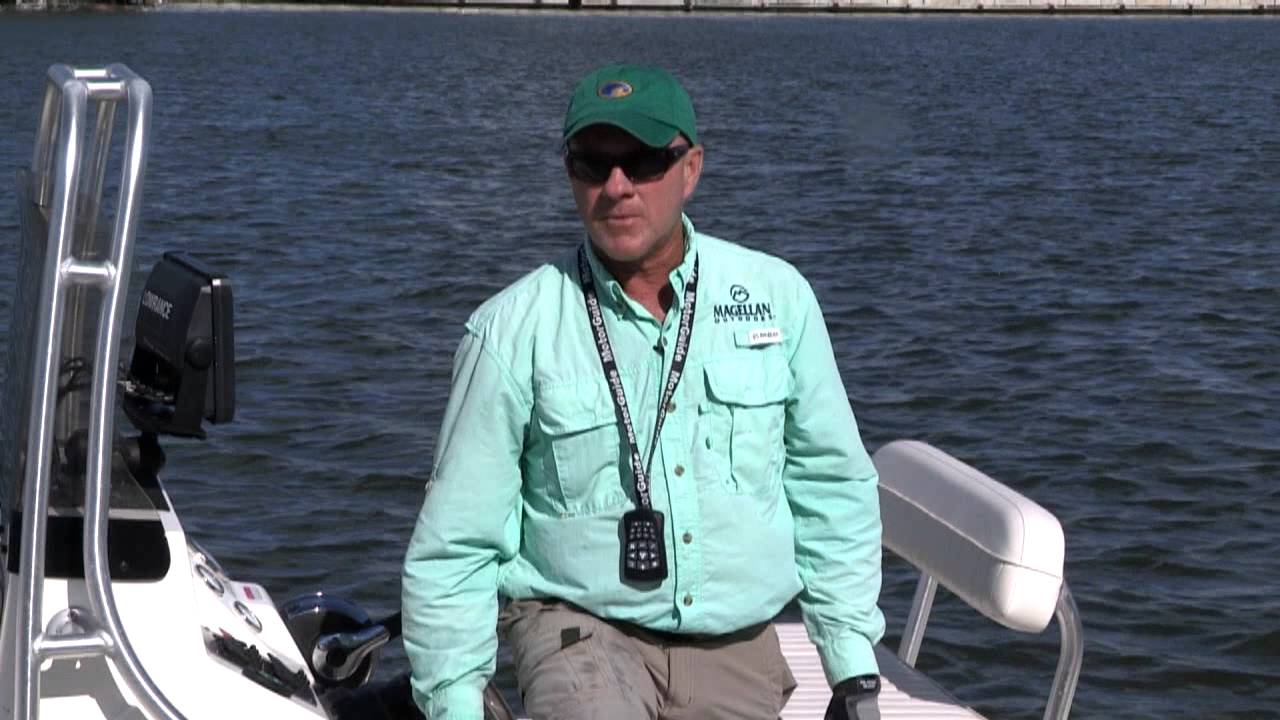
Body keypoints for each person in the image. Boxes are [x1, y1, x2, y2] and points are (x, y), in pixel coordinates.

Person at [402, 63, 885, 720]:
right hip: (578, 630)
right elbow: (455, 542)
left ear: (691, 169)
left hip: (735, 647)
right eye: (592, 163)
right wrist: (454, 701)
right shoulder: (508, 329)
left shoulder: (780, 300)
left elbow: (832, 489)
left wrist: (852, 669)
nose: (617, 186)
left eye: (644, 159)